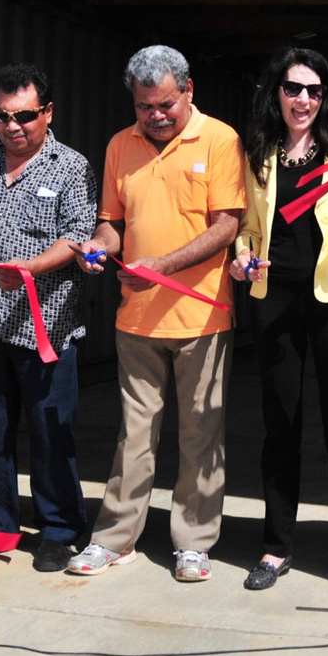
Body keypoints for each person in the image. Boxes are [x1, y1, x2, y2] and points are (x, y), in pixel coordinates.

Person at [67, 45, 245, 582]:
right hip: (136, 319)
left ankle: (193, 542)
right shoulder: (121, 144)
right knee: (134, 434)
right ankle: (114, 538)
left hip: (202, 319)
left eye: (165, 103)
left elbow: (226, 227)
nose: (156, 115)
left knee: (200, 434)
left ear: (189, 91)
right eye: (145, 106)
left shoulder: (220, 140)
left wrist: (160, 265)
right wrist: (99, 246)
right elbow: (112, 222)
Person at [0, 63, 97, 571]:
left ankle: (58, 529)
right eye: (2, 117)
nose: (13, 127)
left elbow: (77, 237)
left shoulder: (70, 167)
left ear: (47, 113)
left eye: (25, 116)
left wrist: (27, 270)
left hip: (45, 325)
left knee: (52, 433)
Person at [229, 47, 328, 599]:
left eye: (314, 90)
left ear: (326, 96)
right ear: (277, 92)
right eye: (293, 88)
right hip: (274, 298)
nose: (303, 100)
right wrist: (242, 256)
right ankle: (276, 545)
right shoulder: (259, 151)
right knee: (280, 425)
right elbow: (245, 224)